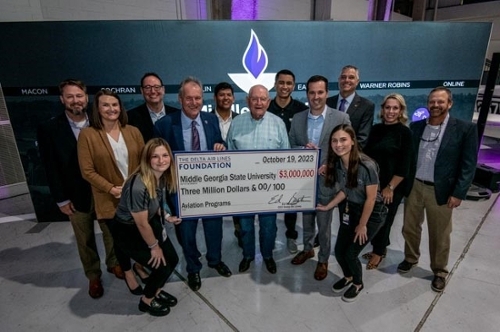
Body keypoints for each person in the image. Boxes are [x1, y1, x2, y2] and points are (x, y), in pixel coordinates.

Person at [37, 79, 122, 299]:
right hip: (75, 195)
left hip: (105, 191)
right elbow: (50, 167)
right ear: (62, 99)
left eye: (79, 96)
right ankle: (93, 275)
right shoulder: (50, 129)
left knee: (111, 232)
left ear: (86, 98)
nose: (75, 100)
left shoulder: (101, 124)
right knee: (84, 239)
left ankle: (114, 263)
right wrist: (61, 199)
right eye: (70, 96)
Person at [154, 77, 231, 292]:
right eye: (189, 98)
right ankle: (193, 267)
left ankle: (215, 260)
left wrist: (220, 145)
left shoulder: (210, 119)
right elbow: (157, 159)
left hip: (210, 186)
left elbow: (221, 143)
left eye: (198, 98)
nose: (194, 102)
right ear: (180, 99)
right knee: (186, 232)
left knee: (214, 226)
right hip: (180, 189)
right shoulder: (165, 125)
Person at [398, 87, 478, 292]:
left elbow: (468, 165)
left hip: (441, 191)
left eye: (440, 101)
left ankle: (439, 271)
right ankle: (410, 258)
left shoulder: (464, 129)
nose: (435, 105)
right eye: (432, 101)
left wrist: (459, 192)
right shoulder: (415, 127)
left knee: (440, 234)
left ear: (449, 103)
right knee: (409, 227)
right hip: (415, 186)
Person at [78, 89, 148, 295]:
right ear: (97, 109)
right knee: (117, 240)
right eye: (106, 105)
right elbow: (87, 170)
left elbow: (144, 162)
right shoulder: (88, 135)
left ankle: (139, 265)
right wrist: (111, 188)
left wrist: (133, 186)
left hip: (134, 195)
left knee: (137, 235)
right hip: (109, 197)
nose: (111, 109)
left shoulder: (133, 131)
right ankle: (127, 272)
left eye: (115, 105)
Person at [288, 75, 350, 281]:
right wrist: (301, 150)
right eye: (312, 92)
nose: (316, 96)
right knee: (306, 221)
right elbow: (290, 146)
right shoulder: (297, 118)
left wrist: (330, 163)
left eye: (320, 92)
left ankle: (323, 259)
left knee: (324, 226)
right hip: (303, 183)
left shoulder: (340, 118)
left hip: (328, 182)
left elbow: (349, 149)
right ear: (307, 94)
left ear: (327, 93)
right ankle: (307, 249)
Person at [317, 124, 387, 302]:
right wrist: (328, 206)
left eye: (343, 140)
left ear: (353, 141)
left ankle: (357, 283)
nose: (338, 144)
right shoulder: (339, 163)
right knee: (340, 250)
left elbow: (371, 199)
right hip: (352, 209)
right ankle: (348, 276)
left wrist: (362, 225)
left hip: (371, 213)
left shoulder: (367, 165)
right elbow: (346, 191)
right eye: (334, 141)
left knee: (350, 254)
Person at [110, 138, 180, 317]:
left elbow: (154, 203)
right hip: (128, 230)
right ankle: (146, 301)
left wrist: (165, 216)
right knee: (161, 266)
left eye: (165, 155)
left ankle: (155, 290)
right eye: (155, 156)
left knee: (172, 259)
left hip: (149, 222)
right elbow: (140, 223)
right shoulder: (138, 185)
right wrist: (154, 247)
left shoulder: (160, 176)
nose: (161, 160)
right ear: (147, 159)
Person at [226, 84, 290, 274]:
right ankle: (248, 255)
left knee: (269, 227)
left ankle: (268, 255)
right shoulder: (237, 123)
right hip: (243, 190)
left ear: (268, 102)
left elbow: (285, 157)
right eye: (254, 99)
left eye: (263, 99)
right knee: (245, 226)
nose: (259, 103)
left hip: (270, 189)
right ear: (247, 101)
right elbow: (230, 154)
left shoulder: (278, 123)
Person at [362, 93, 414, 269]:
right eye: (387, 107)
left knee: (385, 219)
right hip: (374, 184)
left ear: (400, 111)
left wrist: (390, 187)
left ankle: (378, 253)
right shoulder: (376, 129)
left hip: (392, 186)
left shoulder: (405, 133)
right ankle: (380, 247)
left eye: (395, 108)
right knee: (373, 218)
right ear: (382, 109)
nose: (391, 111)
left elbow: (405, 166)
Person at [268, 69, 308, 254]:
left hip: (292, 166)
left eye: (288, 83)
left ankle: (291, 235)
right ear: (275, 84)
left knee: (291, 204)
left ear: (293, 86)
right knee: (269, 202)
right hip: (268, 165)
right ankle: (270, 237)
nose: (284, 86)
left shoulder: (301, 109)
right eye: (281, 82)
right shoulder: (266, 107)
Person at [210, 82, 242, 247]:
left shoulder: (241, 119)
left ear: (234, 98)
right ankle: (216, 245)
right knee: (215, 214)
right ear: (215, 98)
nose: (225, 98)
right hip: (213, 176)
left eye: (229, 95)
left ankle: (239, 231)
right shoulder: (205, 119)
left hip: (237, 174)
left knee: (239, 208)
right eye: (221, 95)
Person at [326, 65, 374, 148]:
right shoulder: (327, 103)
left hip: (351, 157)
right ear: (339, 80)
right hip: (327, 157)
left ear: (357, 81)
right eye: (343, 77)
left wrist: (346, 156)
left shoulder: (366, 106)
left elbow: (362, 139)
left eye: (351, 77)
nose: (346, 80)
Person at [128, 72, 179, 142]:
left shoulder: (177, 115)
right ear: (142, 91)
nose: (153, 91)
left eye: (156, 87)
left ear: (163, 89)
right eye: (147, 87)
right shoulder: (131, 117)